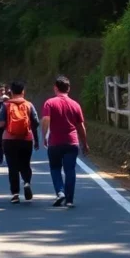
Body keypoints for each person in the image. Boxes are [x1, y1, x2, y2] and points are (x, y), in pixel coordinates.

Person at [41, 76, 89, 208]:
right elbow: (81, 126)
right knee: (70, 170)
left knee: (55, 168)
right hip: (71, 142)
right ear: (69, 88)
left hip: (55, 142)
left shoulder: (50, 103)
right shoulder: (75, 105)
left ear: (55, 88)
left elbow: (45, 120)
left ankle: (60, 192)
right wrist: (85, 143)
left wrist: (44, 136)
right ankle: (69, 200)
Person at [0, 80, 40, 204]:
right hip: (26, 139)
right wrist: (36, 140)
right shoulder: (29, 105)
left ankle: (15, 194)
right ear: (23, 91)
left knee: (12, 167)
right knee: (25, 164)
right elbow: (36, 123)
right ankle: (26, 182)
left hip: (9, 140)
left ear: (11, 91)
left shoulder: (6, 105)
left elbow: (0, 123)